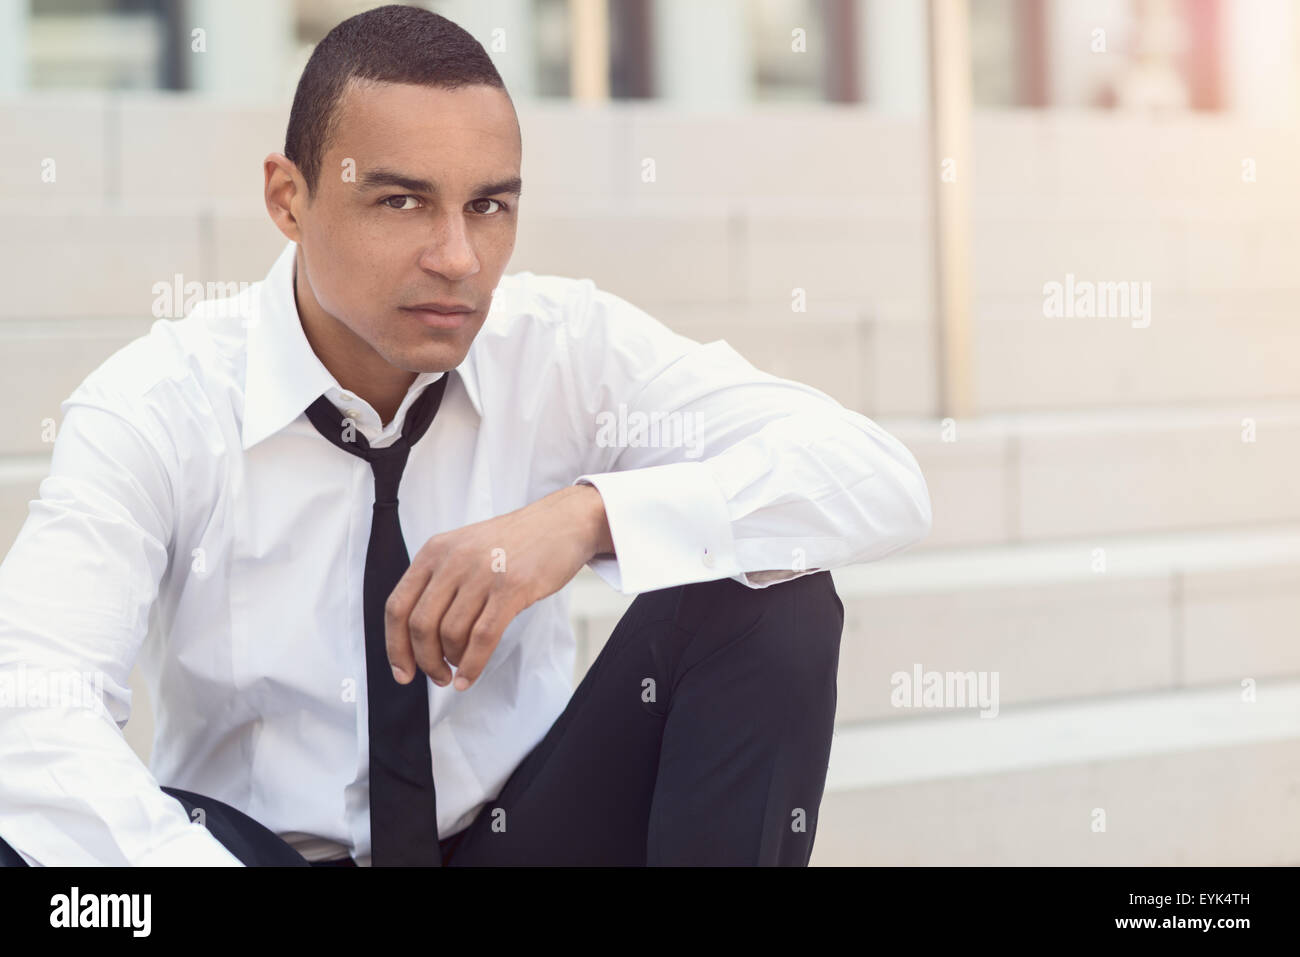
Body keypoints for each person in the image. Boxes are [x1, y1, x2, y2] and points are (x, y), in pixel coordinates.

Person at [0, 4, 931, 867]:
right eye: (400, 202)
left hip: (512, 838)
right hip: (257, 852)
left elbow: (878, 478)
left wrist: (587, 516)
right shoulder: (159, 405)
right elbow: (29, 709)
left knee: (771, 591)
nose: (457, 258)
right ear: (289, 199)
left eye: (488, 206)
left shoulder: (562, 348)